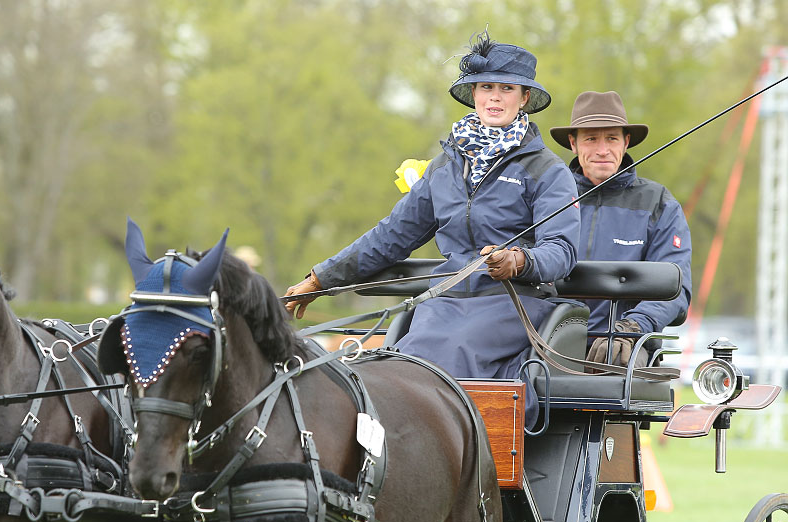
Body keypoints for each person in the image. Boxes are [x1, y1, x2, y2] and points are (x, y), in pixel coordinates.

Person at [285, 34, 580, 425]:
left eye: (506, 89)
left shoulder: (546, 171)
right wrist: (321, 278)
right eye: (486, 87)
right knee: (399, 363)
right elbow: (392, 235)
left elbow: (562, 250)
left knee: (450, 354)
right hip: (446, 300)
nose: (494, 97)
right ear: (474, 94)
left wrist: (520, 260)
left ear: (524, 98)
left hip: (515, 302)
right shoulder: (445, 166)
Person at [549, 91, 692, 366]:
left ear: (626, 142)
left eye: (612, 138)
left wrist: (632, 328)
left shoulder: (659, 204)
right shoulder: (549, 198)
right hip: (547, 343)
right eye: (591, 138)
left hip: (625, 350)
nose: (602, 150)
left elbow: (677, 290)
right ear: (573, 143)